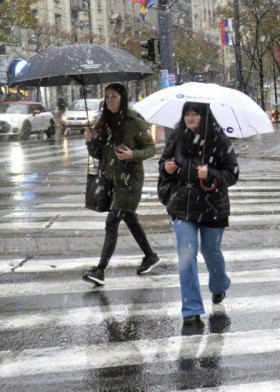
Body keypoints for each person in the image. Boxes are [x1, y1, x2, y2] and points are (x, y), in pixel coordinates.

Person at [158, 102, 239, 326]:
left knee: (211, 251)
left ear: (204, 116)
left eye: (195, 113)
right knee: (186, 256)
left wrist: (210, 172)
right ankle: (191, 309)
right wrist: (167, 167)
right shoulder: (177, 137)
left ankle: (220, 284)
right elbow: (164, 161)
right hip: (183, 207)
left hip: (212, 208)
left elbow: (233, 173)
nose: (190, 118)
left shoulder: (219, 140)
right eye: (187, 113)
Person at [82, 83, 159, 285]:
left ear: (122, 98)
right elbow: (98, 154)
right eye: (107, 97)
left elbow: (151, 149)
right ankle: (150, 256)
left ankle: (100, 270)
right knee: (129, 218)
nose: (109, 101)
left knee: (112, 221)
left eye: (113, 96)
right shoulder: (104, 122)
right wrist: (90, 140)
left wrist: (133, 154)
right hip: (111, 181)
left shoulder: (134, 121)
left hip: (130, 181)